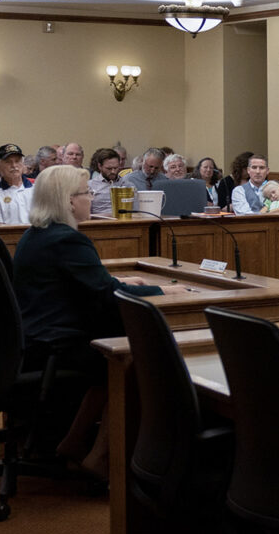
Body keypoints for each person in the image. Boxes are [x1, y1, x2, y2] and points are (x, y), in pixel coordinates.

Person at [12, 166, 188, 475]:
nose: (91, 199)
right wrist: (165, 291)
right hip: (57, 342)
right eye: (86, 193)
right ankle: (101, 455)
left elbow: (82, 281)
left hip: (33, 337)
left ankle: (74, 440)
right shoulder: (67, 239)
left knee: (113, 346)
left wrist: (120, 280)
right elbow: (108, 294)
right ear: (68, 201)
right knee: (127, 356)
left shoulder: (37, 234)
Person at [0, 142, 35, 225]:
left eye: (17, 161)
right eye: (8, 162)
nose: (14, 165)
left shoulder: (36, 187)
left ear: (23, 164)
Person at [87, 147, 124, 215]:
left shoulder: (127, 185)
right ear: (100, 166)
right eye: (109, 168)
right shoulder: (90, 185)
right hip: (98, 222)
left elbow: (136, 212)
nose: (113, 171)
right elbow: (85, 213)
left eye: (116, 168)